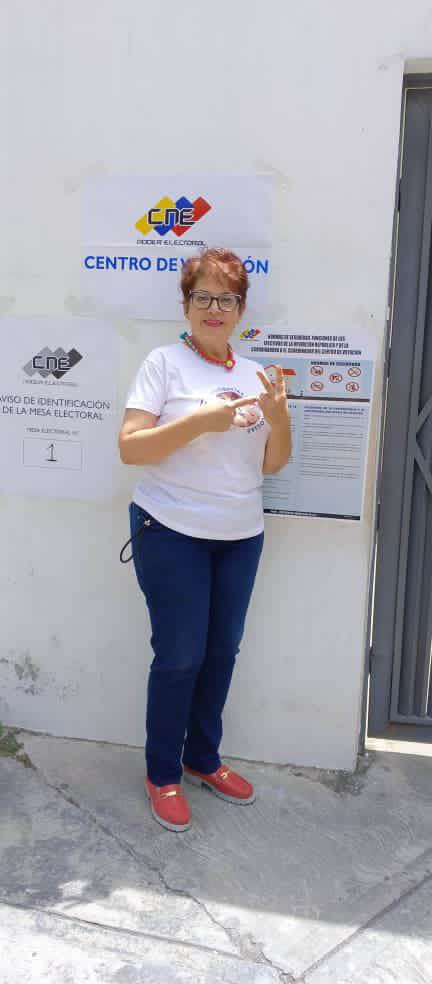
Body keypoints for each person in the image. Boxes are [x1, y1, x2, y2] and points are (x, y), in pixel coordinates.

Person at [118, 247, 292, 832]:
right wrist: (201, 420)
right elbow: (130, 448)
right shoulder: (164, 364)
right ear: (186, 304)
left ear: (241, 309)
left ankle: (202, 757)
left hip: (241, 536)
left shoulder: (255, 374)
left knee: (221, 653)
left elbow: (271, 463)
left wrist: (280, 417)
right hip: (170, 531)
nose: (214, 308)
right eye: (203, 297)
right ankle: (163, 772)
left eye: (226, 299)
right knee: (180, 657)